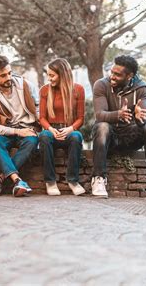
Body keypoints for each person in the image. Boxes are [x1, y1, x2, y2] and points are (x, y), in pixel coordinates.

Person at [91, 55, 146, 201]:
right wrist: (118, 114)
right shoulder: (101, 85)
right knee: (102, 127)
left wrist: (139, 118)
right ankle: (98, 179)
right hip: (109, 137)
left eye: (117, 74)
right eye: (111, 72)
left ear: (130, 75)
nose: (112, 76)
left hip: (130, 136)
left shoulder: (142, 88)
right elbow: (100, 115)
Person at [0, 55, 39, 197]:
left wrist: (35, 128)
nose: (8, 77)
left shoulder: (25, 85)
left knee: (32, 141)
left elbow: (38, 108)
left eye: (9, 73)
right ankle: (17, 180)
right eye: (3, 75)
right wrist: (17, 132)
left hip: (27, 127)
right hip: (6, 132)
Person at [38, 58, 86, 196]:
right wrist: (50, 129)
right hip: (51, 130)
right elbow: (41, 118)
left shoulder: (78, 90)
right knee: (44, 137)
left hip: (69, 130)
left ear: (62, 74)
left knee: (77, 137)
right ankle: (50, 182)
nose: (49, 78)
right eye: (48, 75)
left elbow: (81, 119)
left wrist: (70, 129)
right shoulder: (45, 90)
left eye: (52, 75)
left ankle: (73, 181)